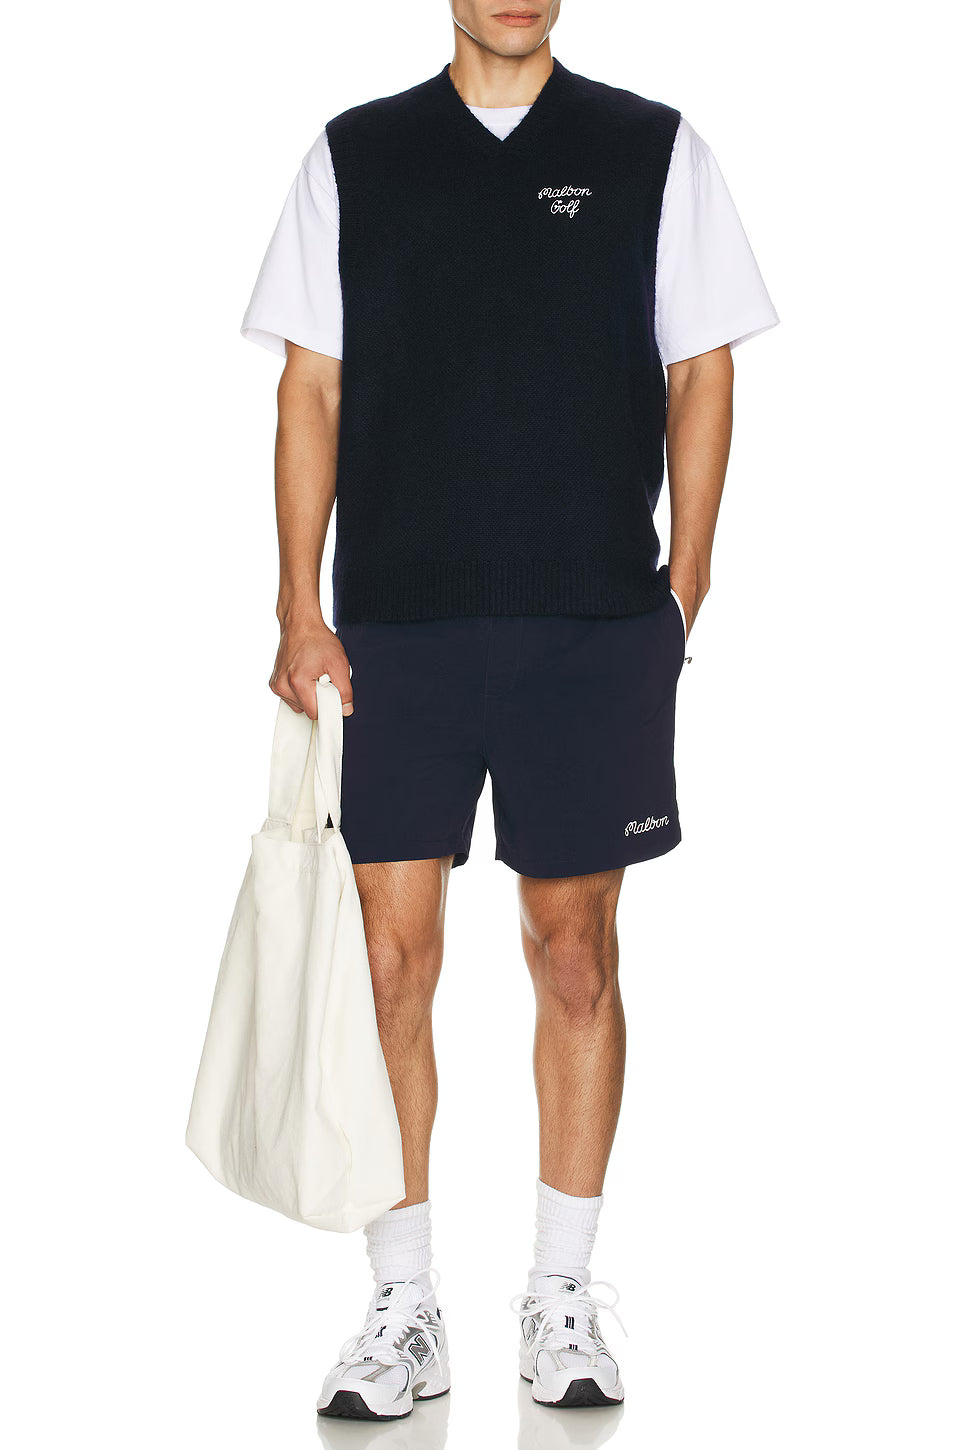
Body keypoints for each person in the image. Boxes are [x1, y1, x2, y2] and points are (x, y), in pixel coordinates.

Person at [240, 0, 778, 1421]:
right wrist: (299, 607)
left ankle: (562, 1294)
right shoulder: (355, 157)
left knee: (576, 955)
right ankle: (402, 1304)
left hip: (590, 628)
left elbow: (704, 368)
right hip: (397, 629)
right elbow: (310, 387)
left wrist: (685, 587)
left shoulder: (653, 150)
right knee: (388, 965)